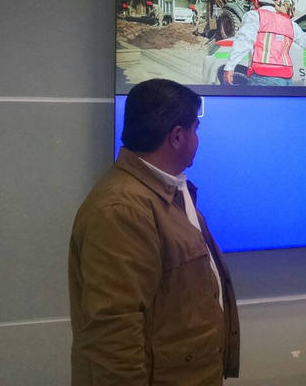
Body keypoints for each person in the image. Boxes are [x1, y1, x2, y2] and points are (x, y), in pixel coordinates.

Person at [68, 79, 239, 385]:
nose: (197, 139)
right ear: (177, 136)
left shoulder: (167, 192)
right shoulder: (122, 210)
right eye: (195, 129)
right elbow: (114, 337)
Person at [223, 0, 306, 87]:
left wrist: (230, 67)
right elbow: (305, 38)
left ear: (256, 1)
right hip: (286, 77)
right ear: (275, 3)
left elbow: (244, 41)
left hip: (263, 76)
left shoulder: (255, 16)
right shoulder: (288, 22)